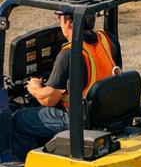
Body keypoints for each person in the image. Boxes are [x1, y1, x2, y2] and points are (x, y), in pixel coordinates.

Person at [10, 11, 121, 157]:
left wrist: (34, 87)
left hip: (80, 120)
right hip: (108, 111)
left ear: (68, 22)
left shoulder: (69, 54)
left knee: (20, 119)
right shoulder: (107, 40)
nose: (59, 23)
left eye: (59, 19)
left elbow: (48, 100)